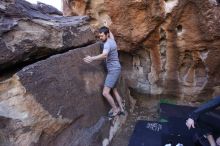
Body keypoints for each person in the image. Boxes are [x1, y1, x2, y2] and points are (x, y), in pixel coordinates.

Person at [83, 26, 125, 117]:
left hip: (113, 70)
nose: (100, 38)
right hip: (116, 68)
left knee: (105, 93)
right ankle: (121, 108)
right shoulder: (112, 40)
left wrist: (92, 58)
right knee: (114, 90)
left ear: (107, 35)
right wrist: (107, 26)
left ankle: (115, 109)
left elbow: (104, 54)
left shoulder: (107, 44)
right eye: (99, 36)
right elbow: (110, 33)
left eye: (102, 36)